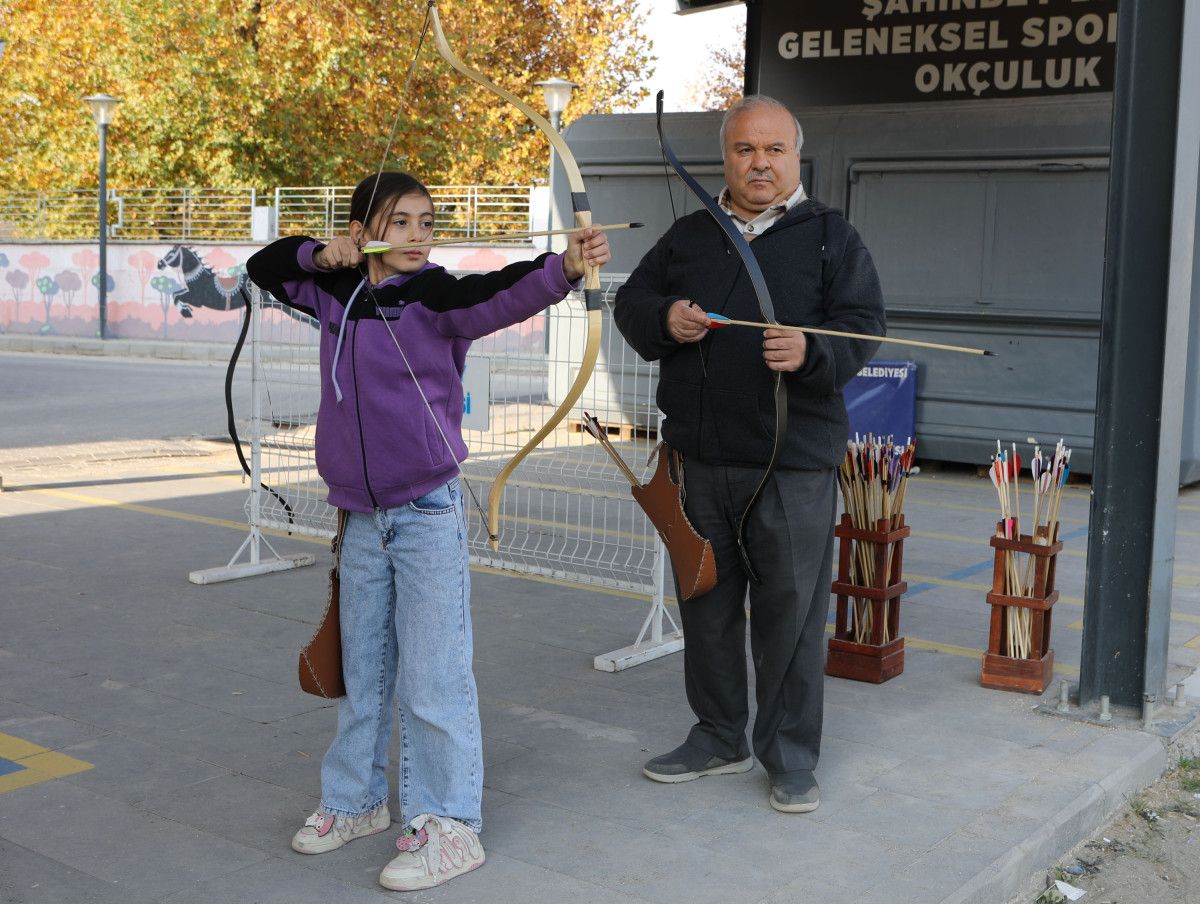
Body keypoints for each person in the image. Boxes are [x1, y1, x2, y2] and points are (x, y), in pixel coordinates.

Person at [247, 171, 609, 890]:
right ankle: (355, 803)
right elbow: (265, 265)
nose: (417, 236)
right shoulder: (331, 292)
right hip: (356, 513)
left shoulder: (438, 296)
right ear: (362, 231)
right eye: (400, 222)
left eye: (426, 222)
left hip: (425, 513)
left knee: (433, 675)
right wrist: (324, 256)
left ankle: (449, 823)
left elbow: (502, 291)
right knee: (365, 670)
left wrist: (566, 268)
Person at [613, 96, 885, 814]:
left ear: (796, 157)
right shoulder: (692, 235)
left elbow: (864, 324)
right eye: (743, 150)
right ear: (726, 159)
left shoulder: (832, 237)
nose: (759, 163)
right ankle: (717, 735)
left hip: (793, 463)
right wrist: (667, 318)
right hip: (700, 458)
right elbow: (633, 303)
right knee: (704, 602)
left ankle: (790, 756)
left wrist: (812, 349)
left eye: (773, 150)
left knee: (789, 615)